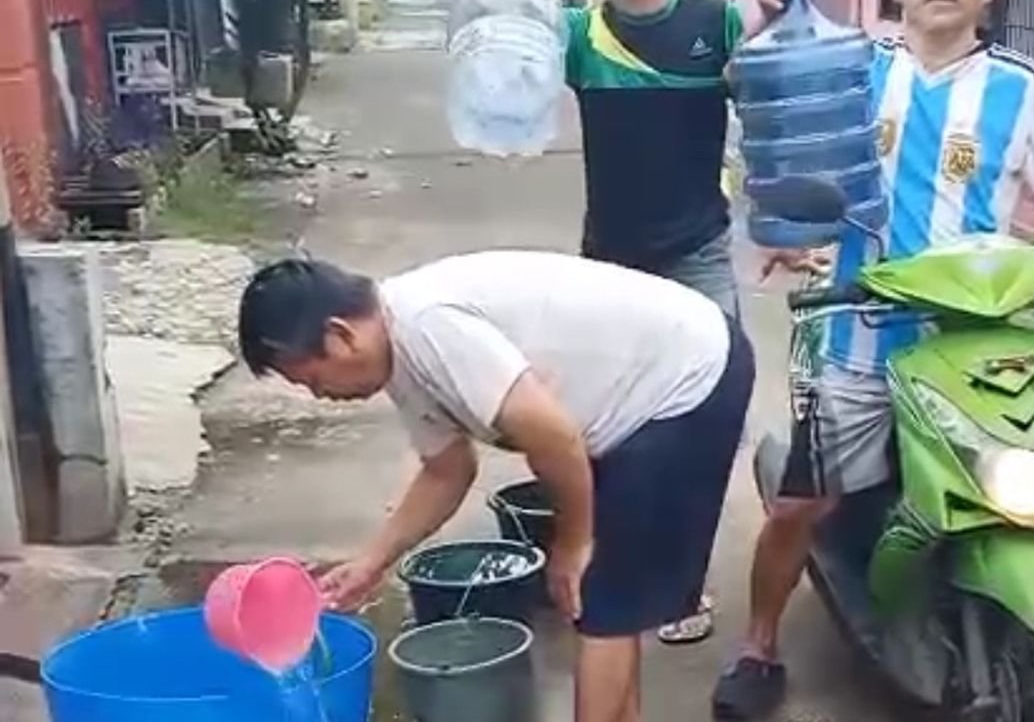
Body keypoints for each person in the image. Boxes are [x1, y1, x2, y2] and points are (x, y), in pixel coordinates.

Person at [712, 0, 1034, 719]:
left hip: (973, 345)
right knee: (802, 505)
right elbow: (783, 127)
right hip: (859, 334)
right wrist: (770, 24)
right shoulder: (854, 66)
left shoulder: (1020, 85)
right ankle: (759, 645)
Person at [237, 251, 754, 722]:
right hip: (635, 394)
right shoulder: (399, 352)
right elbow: (447, 471)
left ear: (340, 335)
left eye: (313, 379)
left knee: (603, 604)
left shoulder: (429, 327)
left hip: (684, 378)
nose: (320, 396)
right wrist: (372, 562)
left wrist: (574, 542)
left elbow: (555, 438)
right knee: (609, 599)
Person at [479, 0, 769, 643]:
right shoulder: (580, 35)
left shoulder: (718, 23)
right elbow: (511, 68)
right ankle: (608, 565)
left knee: (702, 425)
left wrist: (774, 16)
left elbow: (769, 106)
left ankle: (682, 585)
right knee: (604, 425)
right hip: (609, 264)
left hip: (699, 251)